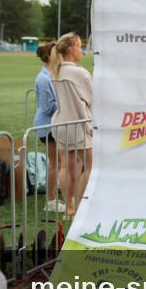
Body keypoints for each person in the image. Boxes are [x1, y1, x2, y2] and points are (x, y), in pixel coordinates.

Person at [49, 32, 93, 219]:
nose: (81, 50)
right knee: (91, 165)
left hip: (61, 123)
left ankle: (69, 208)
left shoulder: (56, 70)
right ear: (70, 49)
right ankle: (83, 206)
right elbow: (93, 98)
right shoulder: (79, 72)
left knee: (67, 166)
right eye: (79, 46)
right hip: (79, 124)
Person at [34, 42, 64, 214]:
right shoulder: (44, 78)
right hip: (47, 126)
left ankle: (55, 195)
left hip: (53, 124)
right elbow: (47, 107)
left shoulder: (52, 75)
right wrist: (66, 103)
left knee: (58, 162)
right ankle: (51, 201)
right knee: (54, 163)